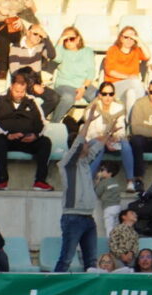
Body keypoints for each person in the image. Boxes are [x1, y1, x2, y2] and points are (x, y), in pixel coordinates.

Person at [0, 71, 53, 191]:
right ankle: (2, 181)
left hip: (27, 140)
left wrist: (35, 135)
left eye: (22, 92)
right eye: (16, 91)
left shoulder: (31, 100)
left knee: (45, 142)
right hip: (7, 139)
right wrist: (7, 134)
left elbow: (42, 122)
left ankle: (40, 181)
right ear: (11, 87)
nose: (19, 94)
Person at [55, 133, 101, 272]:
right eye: (86, 143)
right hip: (73, 217)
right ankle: (53, 289)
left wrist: (110, 129)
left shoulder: (85, 161)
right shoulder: (67, 164)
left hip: (88, 217)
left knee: (91, 260)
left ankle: (91, 292)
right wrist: (89, 119)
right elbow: (78, 141)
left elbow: (99, 145)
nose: (88, 145)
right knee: (66, 259)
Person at [83, 81, 135, 187]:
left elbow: (121, 128)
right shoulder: (92, 109)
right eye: (104, 94)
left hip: (112, 140)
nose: (108, 97)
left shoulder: (119, 108)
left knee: (125, 144)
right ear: (99, 95)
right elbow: (92, 132)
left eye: (110, 94)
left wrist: (116, 137)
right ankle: (88, 182)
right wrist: (106, 140)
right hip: (96, 140)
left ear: (114, 95)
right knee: (99, 147)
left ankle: (130, 181)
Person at [48, 25, 96, 123]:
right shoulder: (62, 51)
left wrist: (84, 87)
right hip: (65, 84)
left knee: (99, 98)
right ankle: (54, 122)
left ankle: (83, 123)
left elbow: (91, 71)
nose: (69, 42)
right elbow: (56, 58)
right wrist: (61, 41)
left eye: (72, 39)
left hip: (83, 84)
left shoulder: (87, 51)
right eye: (66, 39)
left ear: (78, 39)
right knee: (68, 98)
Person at [0, 0, 37, 80]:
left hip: (14, 24)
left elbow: (33, 10)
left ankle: (5, 69)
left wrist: (21, 20)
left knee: (9, 36)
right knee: (2, 35)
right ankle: (5, 68)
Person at [103, 25, 148, 114]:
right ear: (121, 38)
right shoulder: (113, 50)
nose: (129, 40)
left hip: (130, 87)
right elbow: (110, 71)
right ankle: (144, 109)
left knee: (131, 94)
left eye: (132, 38)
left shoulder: (136, 51)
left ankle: (130, 122)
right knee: (135, 82)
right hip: (114, 87)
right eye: (126, 37)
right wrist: (128, 77)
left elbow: (148, 55)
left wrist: (140, 41)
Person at [95, 160, 122, 236]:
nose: (100, 172)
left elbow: (97, 193)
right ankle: (117, 243)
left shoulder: (104, 182)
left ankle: (110, 243)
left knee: (109, 227)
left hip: (109, 208)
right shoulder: (115, 182)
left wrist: (97, 180)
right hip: (117, 206)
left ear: (110, 173)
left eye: (102, 170)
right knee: (116, 227)